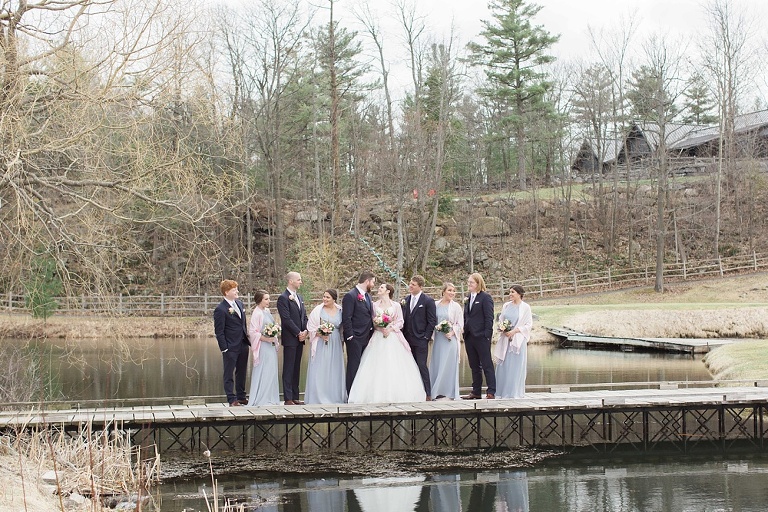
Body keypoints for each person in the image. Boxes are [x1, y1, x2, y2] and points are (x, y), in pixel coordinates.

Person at [347, 283, 426, 404]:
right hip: (378, 336)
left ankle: (397, 394)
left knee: (394, 364)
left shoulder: (396, 305)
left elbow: (400, 321)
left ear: (388, 291)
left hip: (393, 336)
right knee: (376, 365)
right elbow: (371, 320)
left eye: (382, 287)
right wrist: (379, 327)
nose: (379, 288)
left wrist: (390, 329)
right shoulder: (374, 305)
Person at [305, 289, 347, 404]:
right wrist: (320, 333)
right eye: (324, 296)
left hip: (336, 343)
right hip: (321, 342)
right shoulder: (318, 310)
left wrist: (342, 342)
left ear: (334, 299)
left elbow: (343, 328)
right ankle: (319, 397)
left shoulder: (340, 311)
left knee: (334, 369)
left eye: (328, 297)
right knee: (320, 369)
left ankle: (335, 397)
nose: (325, 299)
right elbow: (311, 327)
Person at [212, 279, 250, 406]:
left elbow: (243, 324)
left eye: (236, 289)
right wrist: (224, 348)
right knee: (229, 373)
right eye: (234, 290)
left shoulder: (240, 304)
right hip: (230, 346)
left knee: (242, 371)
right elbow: (219, 331)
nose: (237, 291)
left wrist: (246, 338)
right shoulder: (220, 309)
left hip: (243, 343)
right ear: (226, 292)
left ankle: (241, 396)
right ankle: (231, 398)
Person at [494, 284, 533, 399]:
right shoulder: (506, 306)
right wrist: (503, 329)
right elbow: (501, 319)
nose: (510, 294)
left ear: (519, 294)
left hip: (518, 341)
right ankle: (501, 392)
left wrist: (515, 331)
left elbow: (528, 324)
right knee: (503, 365)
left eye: (512, 292)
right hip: (505, 339)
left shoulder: (525, 307)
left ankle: (514, 392)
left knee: (515, 367)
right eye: (509, 292)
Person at [402, 274, 437, 401]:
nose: (410, 286)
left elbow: (432, 321)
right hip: (406, 339)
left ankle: (427, 393)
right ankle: (412, 392)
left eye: (413, 284)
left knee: (421, 365)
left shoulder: (428, 301)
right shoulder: (405, 300)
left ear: (420, 287)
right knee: (409, 366)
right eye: (410, 283)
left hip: (421, 339)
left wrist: (426, 337)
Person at [462, 272, 496, 400]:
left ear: (478, 283)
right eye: (468, 282)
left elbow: (489, 317)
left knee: (486, 364)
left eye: (471, 282)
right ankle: (476, 391)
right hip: (469, 336)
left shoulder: (485, 297)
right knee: (474, 365)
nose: (469, 284)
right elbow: (466, 316)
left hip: (481, 336)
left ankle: (491, 391)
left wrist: (487, 334)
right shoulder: (467, 298)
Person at [277, 271, 309, 405]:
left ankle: (295, 396)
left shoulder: (299, 297)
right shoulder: (283, 298)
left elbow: (304, 316)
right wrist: (298, 332)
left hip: (300, 338)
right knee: (289, 368)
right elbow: (286, 319)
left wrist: (305, 331)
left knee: (296, 368)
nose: (301, 282)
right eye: (299, 279)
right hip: (290, 338)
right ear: (291, 281)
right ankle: (288, 398)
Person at [341, 271, 376, 394]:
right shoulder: (350, 296)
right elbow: (346, 317)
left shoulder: (368, 296)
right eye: (373, 282)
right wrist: (350, 335)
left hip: (367, 336)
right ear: (367, 281)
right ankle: (351, 393)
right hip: (355, 337)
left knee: (363, 366)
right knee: (353, 365)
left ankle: (361, 393)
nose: (373, 285)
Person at [429, 282, 464, 400]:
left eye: (454, 291)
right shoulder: (435, 305)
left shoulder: (456, 306)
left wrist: (452, 332)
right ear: (443, 291)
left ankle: (449, 392)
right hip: (438, 339)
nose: (452, 293)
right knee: (437, 363)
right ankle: (435, 391)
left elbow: (460, 324)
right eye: (449, 290)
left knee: (448, 365)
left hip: (450, 339)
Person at [246, 290, 280, 406]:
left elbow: (271, 325)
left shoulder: (267, 311)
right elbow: (253, 332)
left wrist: (274, 332)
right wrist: (266, 339)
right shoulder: (257, 313)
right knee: (264, 370)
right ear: (260, 300)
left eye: (269, 298)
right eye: (266, 299)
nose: (268, 301)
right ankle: (261, 398)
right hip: (263, 346)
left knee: (271, 371)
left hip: (270, 346)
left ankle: (270, 397)